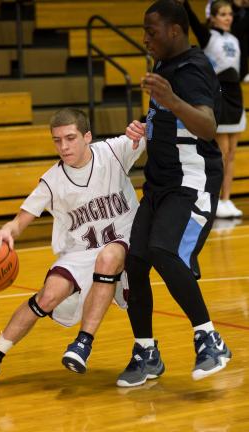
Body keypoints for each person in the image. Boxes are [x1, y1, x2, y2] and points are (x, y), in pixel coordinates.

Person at [0, 107, 146, 390]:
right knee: (46, 297)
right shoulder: (52, 180)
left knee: (108, 257)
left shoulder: (114, 151)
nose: (63, 146)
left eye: (70, 138)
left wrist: (142, 129)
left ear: (87, 136)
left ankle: (83, 343)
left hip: (121, 242)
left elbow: (151, 133)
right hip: (80, 251)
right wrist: (6, 232)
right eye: (57, 140)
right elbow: (20, 221)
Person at [113, 0, 231, 388]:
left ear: (176, 31)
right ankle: (146, 351)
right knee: (135, 260)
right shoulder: (164, 66)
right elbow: (166, 121)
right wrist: (145, 127)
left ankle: (209, 338)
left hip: (192, 180)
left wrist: (172, 101)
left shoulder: (193, 67)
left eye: (152, 30)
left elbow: (208, 126)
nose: (145, 38)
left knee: (164, 249)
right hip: (161, 182)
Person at [181, 0, 246, 218]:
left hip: (236, 95)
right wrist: (186, 6)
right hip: (219, 95)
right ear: (213, 17)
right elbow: (195, 24)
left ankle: (227, 199)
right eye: (223, 14)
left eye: (230, 14)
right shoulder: (209, 37)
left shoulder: (235, 39)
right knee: (221, 153)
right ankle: (214, 199)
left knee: (232, 154)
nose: (228, 17)